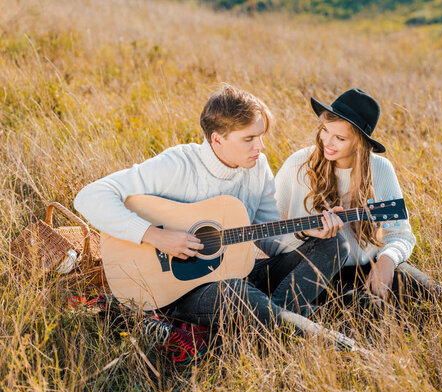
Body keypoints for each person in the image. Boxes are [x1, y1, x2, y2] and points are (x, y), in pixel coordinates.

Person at [73, 84, 350, 335]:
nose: (261, 146)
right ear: (217, 139)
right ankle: (328, 337)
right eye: (249, 139)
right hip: (181, 290)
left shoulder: (258, 167)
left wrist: (303, 233)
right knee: (238, 294)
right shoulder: (177, 165)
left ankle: (274, 322)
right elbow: (89, 196)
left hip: (238, 271)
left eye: (261, 136)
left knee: (335, 243)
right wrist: (153, 235)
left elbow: (268, 237)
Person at [274, 88, 441, 314]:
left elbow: (400, 235)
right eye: (325, 130)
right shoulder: (298, 165)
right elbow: (268, 235)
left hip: (365, 266)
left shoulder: (380, 170)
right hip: (313, 271)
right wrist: (304, 233)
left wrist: (387, 261)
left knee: (431, 296)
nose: (327, 142)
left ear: (359, 143)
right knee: (373, 311)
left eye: (340, 138)